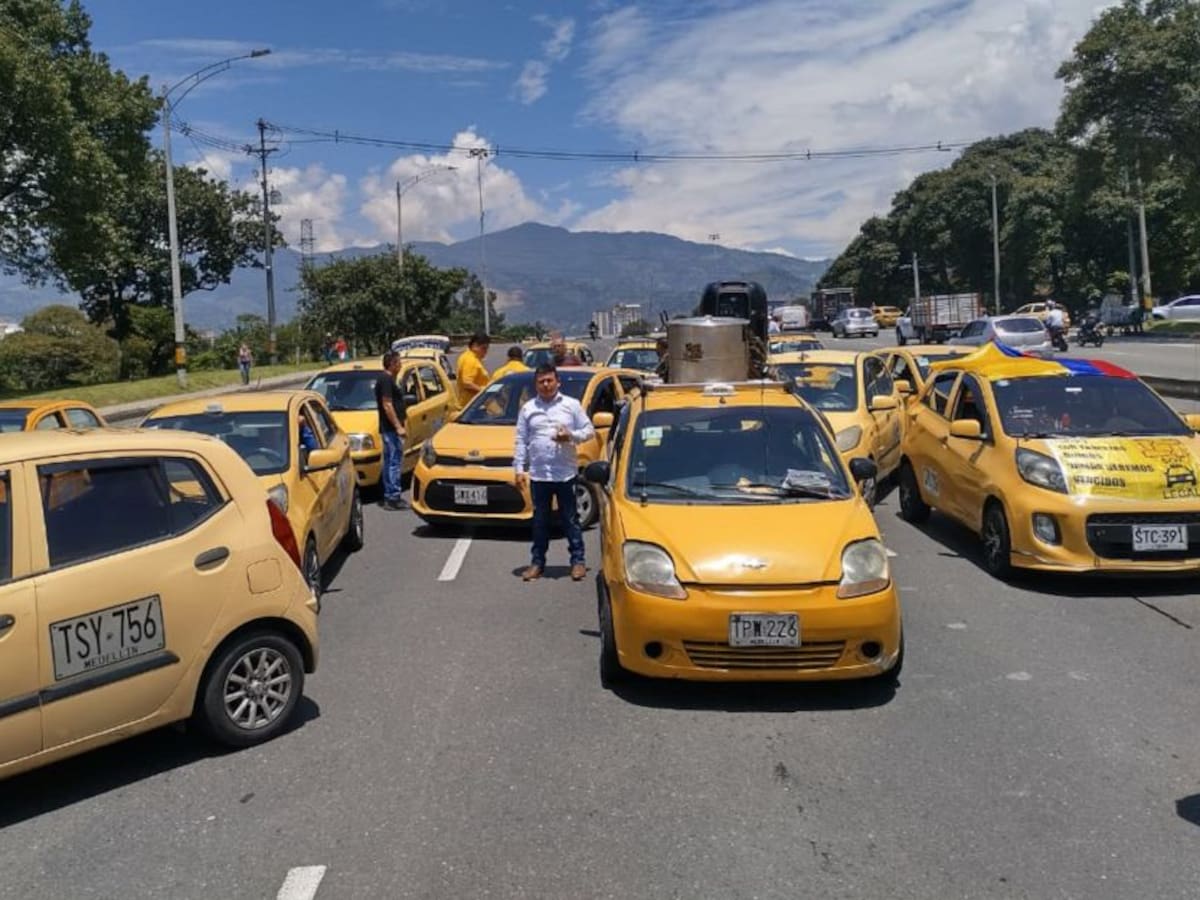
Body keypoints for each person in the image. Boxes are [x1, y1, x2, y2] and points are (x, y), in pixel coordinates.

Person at [514, 364, 595, 582]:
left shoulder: (571, 405)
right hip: (539, 475)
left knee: (570, 519)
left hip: (565, 474)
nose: (546, 385)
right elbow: (521, 440)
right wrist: (519, 469)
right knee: (540, 521)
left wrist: (570, 436)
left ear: (557, 382)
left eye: (550, 380)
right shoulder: (528, 409)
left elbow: (589, 431)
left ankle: (578, 562)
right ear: (536, 385)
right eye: (541, 381)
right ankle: (537, 563)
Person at [374, 351, 408, 510]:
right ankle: (393, 496)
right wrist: (398, 426)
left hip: (389, 428)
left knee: (390, 460)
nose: (401, 365)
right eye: (399, 362)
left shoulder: (386, 379)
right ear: (393, 364)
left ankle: (390, 494)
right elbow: (387, 404)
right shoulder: (386, 380)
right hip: (390, 429)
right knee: (394, 461)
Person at [455, 332, 491, 407]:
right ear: (475, 346)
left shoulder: (469, 357)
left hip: (472, 403)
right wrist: (484, 391)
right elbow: (467, 383)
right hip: (470, 405)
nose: (486, 352)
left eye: (487, 348)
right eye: (483, 348)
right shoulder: (470, 360)